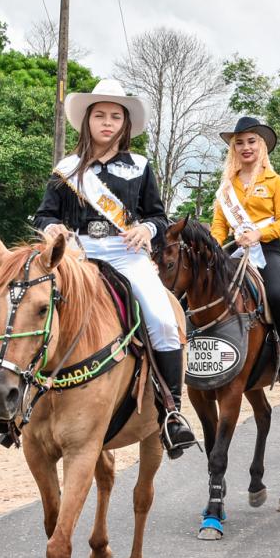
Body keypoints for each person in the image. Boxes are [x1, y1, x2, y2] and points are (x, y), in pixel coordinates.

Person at [28, 80, 197, 456]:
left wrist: (146, 228)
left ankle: (172, 413)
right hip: (78, 255)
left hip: (126, 253)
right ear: (87, 121)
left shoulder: (140, 167)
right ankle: (13, 410)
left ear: (125, 124)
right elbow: (44, 215)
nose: (107, 122)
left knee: (164, 320)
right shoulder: (66, 169)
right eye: (100, 115)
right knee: (31, 307)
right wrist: (50, 227)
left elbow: (157, 215)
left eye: (115, 116)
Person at [210, 115, 280, 383]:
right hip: (233, 249)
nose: (246, 147)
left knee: (279, 294)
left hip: (267, 249)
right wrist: (215, 249)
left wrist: (259, 234)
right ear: (234, 149)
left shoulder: (275, 181)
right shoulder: (226, 187)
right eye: (240, 143)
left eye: (251, 141)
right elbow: (219, 226)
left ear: (261, 146)